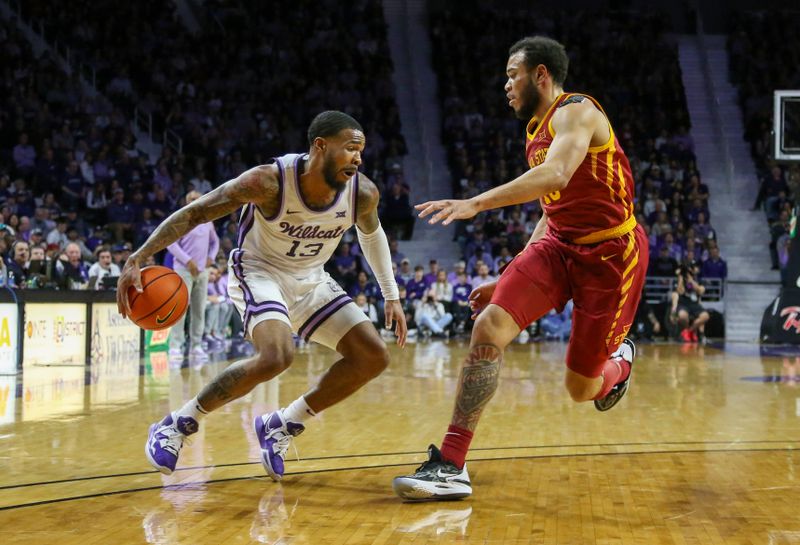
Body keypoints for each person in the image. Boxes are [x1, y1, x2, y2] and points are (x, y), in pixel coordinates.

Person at [393, 36, 648, 500]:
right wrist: (509, 274)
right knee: (488, 326)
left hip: (611, 256)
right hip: (558, 246)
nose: (505, 84)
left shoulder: (577, 111)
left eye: (512, 74)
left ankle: (621, 363)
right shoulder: (535, 130)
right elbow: (552, 207)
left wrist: (475, 203)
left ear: (541, 75)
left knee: (581, 387)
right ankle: (451, 463)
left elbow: (555, 176)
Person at [117, 111, 407, 481]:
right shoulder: (268, 183)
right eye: (351, 148)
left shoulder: (362, 193)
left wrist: (390, 295)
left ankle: (284, 425)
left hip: (311, 279)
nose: (358, 158)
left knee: (372, 356)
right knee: (276, 356)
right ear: (320, 146)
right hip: (259, 271)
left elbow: (372, 235)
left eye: (361, 151)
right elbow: (196, 213)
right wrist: (138, 257)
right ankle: (178, 423)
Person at [165, 190, 220, 362]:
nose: (193, 201)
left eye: (196, 199)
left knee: (199, 309)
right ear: (185, 201)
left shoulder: (207, 221)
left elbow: (215, 242)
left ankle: (196, 345)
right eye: (190, 199)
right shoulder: (180, 219)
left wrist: (211, 256)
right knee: (180, 309)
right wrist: (188, 261)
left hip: (202, 271)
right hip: (183, 270)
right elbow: (171, 245)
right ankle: (175, 346)